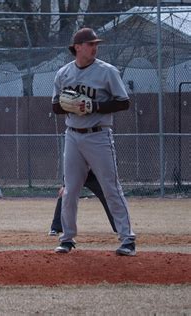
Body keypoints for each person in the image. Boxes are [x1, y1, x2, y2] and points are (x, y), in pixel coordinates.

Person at [52, 27, 136, 256]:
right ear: (77, 48)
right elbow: (55, 106)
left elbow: (123, 102)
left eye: (95, 44)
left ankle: (127, 239)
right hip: (72, 135)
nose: (94, 47)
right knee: (70, 190)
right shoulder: (63, 74)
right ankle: (67, 238)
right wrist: (70, 105)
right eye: (90, 44)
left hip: (99, 135)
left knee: (111, 187)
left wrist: (94, 106)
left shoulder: (107, 72)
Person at [49, 169, 117, 236]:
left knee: (107, 197)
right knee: (65, 195)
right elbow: (70, 165)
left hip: (94, 175)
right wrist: (65, 185)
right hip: (76, 173)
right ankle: (56, 228)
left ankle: (118, 227)